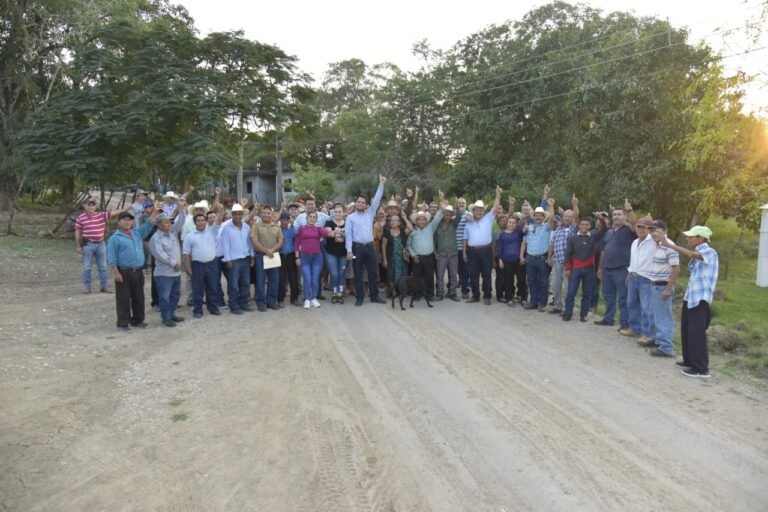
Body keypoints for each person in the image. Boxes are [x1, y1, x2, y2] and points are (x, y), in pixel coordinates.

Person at [663, 226, 719, 378]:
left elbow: (694, 255)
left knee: (696, 333)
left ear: (700, 238)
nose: (688, 239)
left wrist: (670, 245)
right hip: (691, 298)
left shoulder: (709, 251)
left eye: (691, 236)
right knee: (687, 331)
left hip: (700, 299)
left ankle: (701, 368)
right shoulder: (700, 252)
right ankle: (690, 360)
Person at [107, 207, 159, 332]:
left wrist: (155, 211)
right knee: (123, 298)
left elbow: (149, 223)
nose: (127, 222)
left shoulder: (136, 233)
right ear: (119, 222)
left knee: (138, 297)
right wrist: (116, 273)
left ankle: (138, 320)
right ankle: (123, 323)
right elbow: (112, 257)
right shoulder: (115, 238)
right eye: (124, 220)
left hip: (138, 271)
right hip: (123, 271)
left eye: (129, 220)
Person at [639, 220, 681, 357]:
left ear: (665, 230)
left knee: (663, 317)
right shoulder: (658, 246)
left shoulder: (670, 247)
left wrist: (669, 289)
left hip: (663, 286)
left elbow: (676, 269)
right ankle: (657, 339)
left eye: (656, 230)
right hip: (655, 284)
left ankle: (666, 347)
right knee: (655, 315)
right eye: (651, 231)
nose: (653, 233)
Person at [346, 175, 387, 306]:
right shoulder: (350, 218)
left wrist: (381, 184)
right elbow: (348, 235)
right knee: (357, 274)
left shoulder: (370, 213)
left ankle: (374, 295)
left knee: (373, 273)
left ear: (366, 204)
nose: (360, 204)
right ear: (356, 203)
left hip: (370, 247)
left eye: (363, 202)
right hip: (357, 248)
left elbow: (377, 200)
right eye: (358, 202)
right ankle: (360, 297)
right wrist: (349, 250)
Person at [595, 201, 637, 329]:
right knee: (608, 295)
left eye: (619, 214)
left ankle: (625, 323)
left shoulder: (629, 230)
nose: (617, 217)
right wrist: (600, 268)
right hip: (607, 269)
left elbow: (635, 223)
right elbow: (604, 250)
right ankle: (609, 318)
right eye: (615, 215)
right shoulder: (609, 232)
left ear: (624, 217)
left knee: (623, 298)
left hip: (622, 268)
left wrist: (629, 210)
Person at [75, 198, 126, 294]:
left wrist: (126, 208)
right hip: (88, 244)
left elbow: (114, 212)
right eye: (89, 205)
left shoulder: (101, 215)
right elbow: (77, 231)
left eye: (93, 205)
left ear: (95, 206)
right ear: (85, 206)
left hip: (100, 244)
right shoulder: (81, 218)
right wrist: (78, 245)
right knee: (87, 267)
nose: (91, 207)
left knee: (102, 266)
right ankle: (87, 287)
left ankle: (104, 286)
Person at [463, 186, 503, 305]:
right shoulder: (468, 223)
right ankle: (475, 295)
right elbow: (465, 238)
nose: (479, 212)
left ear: (483, 211)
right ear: (473, 211)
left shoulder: (488, 218)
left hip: (486, 250)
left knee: (486, 274)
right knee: (473, 274)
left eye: (481, 210)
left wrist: (498, 195)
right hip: (472, 251)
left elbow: (495, 208)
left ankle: (487, 295)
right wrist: (464, 252)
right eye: (477, 210)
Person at [563, 217, 607, 321]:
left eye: (587, 225)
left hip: (589, 269)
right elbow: (568, 255)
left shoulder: (593, 237)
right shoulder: (572, 238)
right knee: (571, 292)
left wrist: (601, 218)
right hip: (576, 268)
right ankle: (568, 313)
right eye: (582, 224)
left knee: (587, 293)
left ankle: (583, 314)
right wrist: (568, 268)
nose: (584, 226)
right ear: (579, 225)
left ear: (590, 226)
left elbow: (604, 229)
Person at [149, 209, 187, 327]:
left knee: (175, 295)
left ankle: (172, 314)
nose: (169, 224)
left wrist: (181, 208)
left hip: (175, 273)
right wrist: (174, 263)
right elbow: (160, 255)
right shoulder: (155, 238)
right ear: (159, 224)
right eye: (166, 222)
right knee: (165, 296)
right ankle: (166, 317)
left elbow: (181, 221)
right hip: (164, 273)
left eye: (170, 222)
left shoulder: (172, 233)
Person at [407, 192, 446, 300]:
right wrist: (413, 255)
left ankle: (429, 295)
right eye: (419, 219)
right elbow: (408, 245)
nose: (421, 221)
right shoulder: (413, 232)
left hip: (429, 257)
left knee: (429, 277)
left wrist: (442, 199)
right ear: (416, 221)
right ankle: (417, 294)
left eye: (423, 219)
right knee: (417, 277)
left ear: (426, 220)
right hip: (417, 258)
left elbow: (439, 215)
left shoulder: (431, 227)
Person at [182, 213, 221, 319]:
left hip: (212, 264)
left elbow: (218, 220)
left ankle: (213, 308)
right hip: (197, 265)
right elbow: (186, 253)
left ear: (206, 221)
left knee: (212, 287)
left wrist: (220, 209)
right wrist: (188, 268)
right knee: (197, 289)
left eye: (203, 220)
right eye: (198, 220)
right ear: (195, 223)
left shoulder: (212, 232)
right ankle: (197, 310)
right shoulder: (190, 236)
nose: (201, 222)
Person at [218, 204, 254, 315]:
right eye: (236, 214)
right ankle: (233, 305)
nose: (238, 216)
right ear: (232, 215)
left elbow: (249, 243)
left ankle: (243, 303)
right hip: (233, 260)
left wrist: (252, 256)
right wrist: (228, 260)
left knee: (245, 283)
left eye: (240, 214)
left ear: (242, 215)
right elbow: (225, 245)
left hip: (245, 259)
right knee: (233, 284)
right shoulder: (226, 228)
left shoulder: (246, 227)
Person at [520, 201, 556, 311]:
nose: (538, 217)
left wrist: (551, 206)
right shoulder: (529, 227)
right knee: (531, 281)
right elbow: (524, 242)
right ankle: (533, 302)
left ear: (544, 217)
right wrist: (521, 256)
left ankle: (542, 303)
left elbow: (552, 218)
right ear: (533, 217)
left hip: (542, 259)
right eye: (536, 215)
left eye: (541, 216)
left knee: (543, 282)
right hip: (530, 258)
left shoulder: (547, 227)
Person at [547, 194, 580, 314]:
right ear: (563, 217)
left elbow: (576, 216)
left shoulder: (574, 229)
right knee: (555, 286)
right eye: (566, 216)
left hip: (568, 263)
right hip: (556, 261)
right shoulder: (557, 230)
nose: (568, 218)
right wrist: (550, 257)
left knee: (568, 287)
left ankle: (567, 308)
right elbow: (552, 245)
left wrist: (575, 204)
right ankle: (557, 306)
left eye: (570, 216)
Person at [625, 217, 656, 341]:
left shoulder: (653, 241)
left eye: (643, 227)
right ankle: (634, 328)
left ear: (649, 229)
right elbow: (633, 260)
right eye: (638, 226)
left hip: (646, 277)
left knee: (646, 307)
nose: (640, 229)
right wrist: (629, 274)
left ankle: (646, 333)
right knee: (631, 303)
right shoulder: (634, 242)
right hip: (633, 276)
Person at [295, 211, 332, 308]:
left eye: (314, 217)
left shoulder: (319, 229)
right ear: (307, 218)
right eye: (310, 217)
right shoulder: (301, 229)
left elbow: (328, 234)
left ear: (316, 219)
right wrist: (297, 257)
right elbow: (296, 243)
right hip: (304, 257)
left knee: (315, 279)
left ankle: (314, 299)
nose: (312, 218)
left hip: (317, 257)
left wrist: (334, 230)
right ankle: (307, 299)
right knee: (307, 279)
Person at [251, 205, 284, 312]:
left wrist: (272, 250)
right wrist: (266, 251)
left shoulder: (276, 226)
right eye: (264, 213)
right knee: (260, 280)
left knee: (274, 280)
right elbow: (254, 241)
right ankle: (261, 303)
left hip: (273, 256)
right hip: (261, 256)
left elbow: (280, 241)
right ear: (261, 214)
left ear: (272, 215)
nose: (266, 215)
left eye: (268, 213)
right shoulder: (256, 226)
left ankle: (271, 301)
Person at [382, 210, 413, 296]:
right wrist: (384, 259)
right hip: (391, 259)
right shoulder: (387, 232)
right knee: (391, 275)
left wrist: (405, 218)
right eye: (391, 220)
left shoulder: (403, 231)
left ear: (399, 222)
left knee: (402, 275)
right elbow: (384, 247)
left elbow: (411, 228)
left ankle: (401, 291)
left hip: (402, 259)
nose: (393, 222)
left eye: (395, 220)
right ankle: (393, 291)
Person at [497, 216, 526, 307]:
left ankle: (523, 298)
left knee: (521, 280)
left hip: (518, 261)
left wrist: (525, 218)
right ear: (507, 223)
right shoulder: (502, 234)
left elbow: (525, 229)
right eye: (510, 222)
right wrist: (500, 260)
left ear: (516, 224)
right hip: (507, 261)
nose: (511, 224)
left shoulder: (518, 232)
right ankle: (509, 298)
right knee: (509, 281)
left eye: (513, 223)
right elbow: (500, 248)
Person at [434, 204, 461, 302]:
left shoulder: (454, 224)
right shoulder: (437, 225)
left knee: (453, 275)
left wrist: (457, 206)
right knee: (440, 276)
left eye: (450, 215)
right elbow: (434, 240)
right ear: (443, 215)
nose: (448, 217)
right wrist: (435, 252)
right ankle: (439, 293)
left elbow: (459, 216)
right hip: (441, 254)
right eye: (446, 215)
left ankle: (452, 293)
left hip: (453, 254)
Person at [324, 204, 349, 304]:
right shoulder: (328, 222)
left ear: (343, 213)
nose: (338, 213)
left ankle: (340, 293)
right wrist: (336, 231)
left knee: (341, 274)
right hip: (331, 252)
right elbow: (328, 234)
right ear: (333, 213)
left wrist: (345, 232)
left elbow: (351, 235)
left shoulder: (347, 223)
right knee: (334, 274)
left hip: (344, 253)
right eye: (336, 211)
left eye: (340, 212)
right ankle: (334, 293)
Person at [278, 211, 300, 306]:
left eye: (287, 219)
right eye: (283, 219)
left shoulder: (292, 230)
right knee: (281, 278)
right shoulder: (277, 230)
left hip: (291, 255)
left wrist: (292, 222)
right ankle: (280, 299)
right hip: (280, 255)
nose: (285, 221)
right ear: (280, 219)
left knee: (293, 278)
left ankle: (294, 298)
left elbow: (299, 234)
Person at [455, 197, 471, 299]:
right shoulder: (453, 214)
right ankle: (459, 286)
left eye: (463, 203)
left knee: (465, 270)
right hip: (453, 248)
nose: (461, 204)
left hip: (465, 248)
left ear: (466, 204)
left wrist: (470, 218)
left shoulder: (469, 214)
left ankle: (465, 291)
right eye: (459, 203)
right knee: (457, 270)